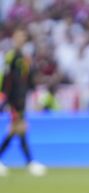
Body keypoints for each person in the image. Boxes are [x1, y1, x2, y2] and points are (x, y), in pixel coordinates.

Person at [0, 28, 46, 177]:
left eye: (23, 37)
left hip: (22, 98)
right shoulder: (11, 56)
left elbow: (30, 79)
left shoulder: (26, 57)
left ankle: (30, 162)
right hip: (14, 99)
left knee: (18, 130)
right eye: (18, 36)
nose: (20, 39)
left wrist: (35, 95)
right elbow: (6, 79)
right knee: (19, 129)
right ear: (13, 38)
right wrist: (4, 98)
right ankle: (30, 162)